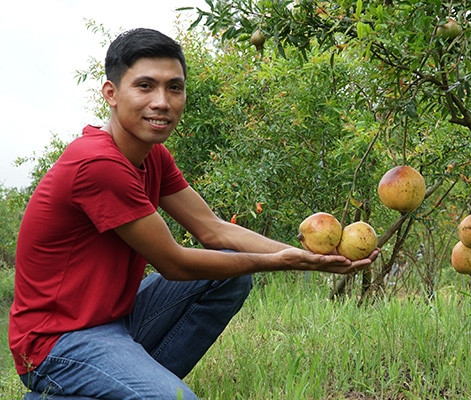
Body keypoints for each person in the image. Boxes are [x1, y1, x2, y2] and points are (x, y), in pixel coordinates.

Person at [9, 28, 378, 400]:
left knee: (230, 275)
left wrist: (310, 254)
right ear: (111, 94)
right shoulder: (98, 164)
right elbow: (174, 264)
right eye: (145, 87)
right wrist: (285, 263)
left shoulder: (152, 156)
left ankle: (130, 385)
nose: (162, 102)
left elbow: (212, 229)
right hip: (57, 341)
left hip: (116, 320)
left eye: (174, 88)